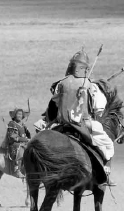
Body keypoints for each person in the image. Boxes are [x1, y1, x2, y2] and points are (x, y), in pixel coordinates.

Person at [40, 49, 116, 186]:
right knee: (108, 144)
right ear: (85, 68)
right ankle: (105, 175)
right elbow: (99, 109)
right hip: (83, 123)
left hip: (60, 122)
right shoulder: (90, 85)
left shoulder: (61, 83)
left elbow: (55, 101)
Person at [2, 108, 30, 178]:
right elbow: (12, 136)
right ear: (14, 115)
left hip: (24, 142)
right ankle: (17, 169)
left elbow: (27, 135)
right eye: (18, 114)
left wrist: (28, 139)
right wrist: (25, 139)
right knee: (21, 148)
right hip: (14, 144)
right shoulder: (12, 124)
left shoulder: (23, 125)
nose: (20, 116)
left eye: (21, 114)